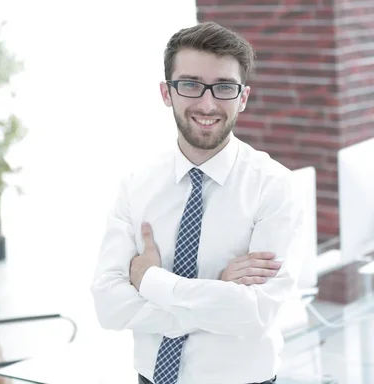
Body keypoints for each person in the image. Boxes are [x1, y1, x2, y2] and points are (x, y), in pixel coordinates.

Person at [91, 22, 305, 384]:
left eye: (223, 88)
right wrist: (218, 292)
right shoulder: (137, 185)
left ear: (243, 97)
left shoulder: (275, 187)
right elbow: (108, 305)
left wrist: (150, 280)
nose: (207, 104)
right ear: (166, 92)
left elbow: (256, 314)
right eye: (190, 84)